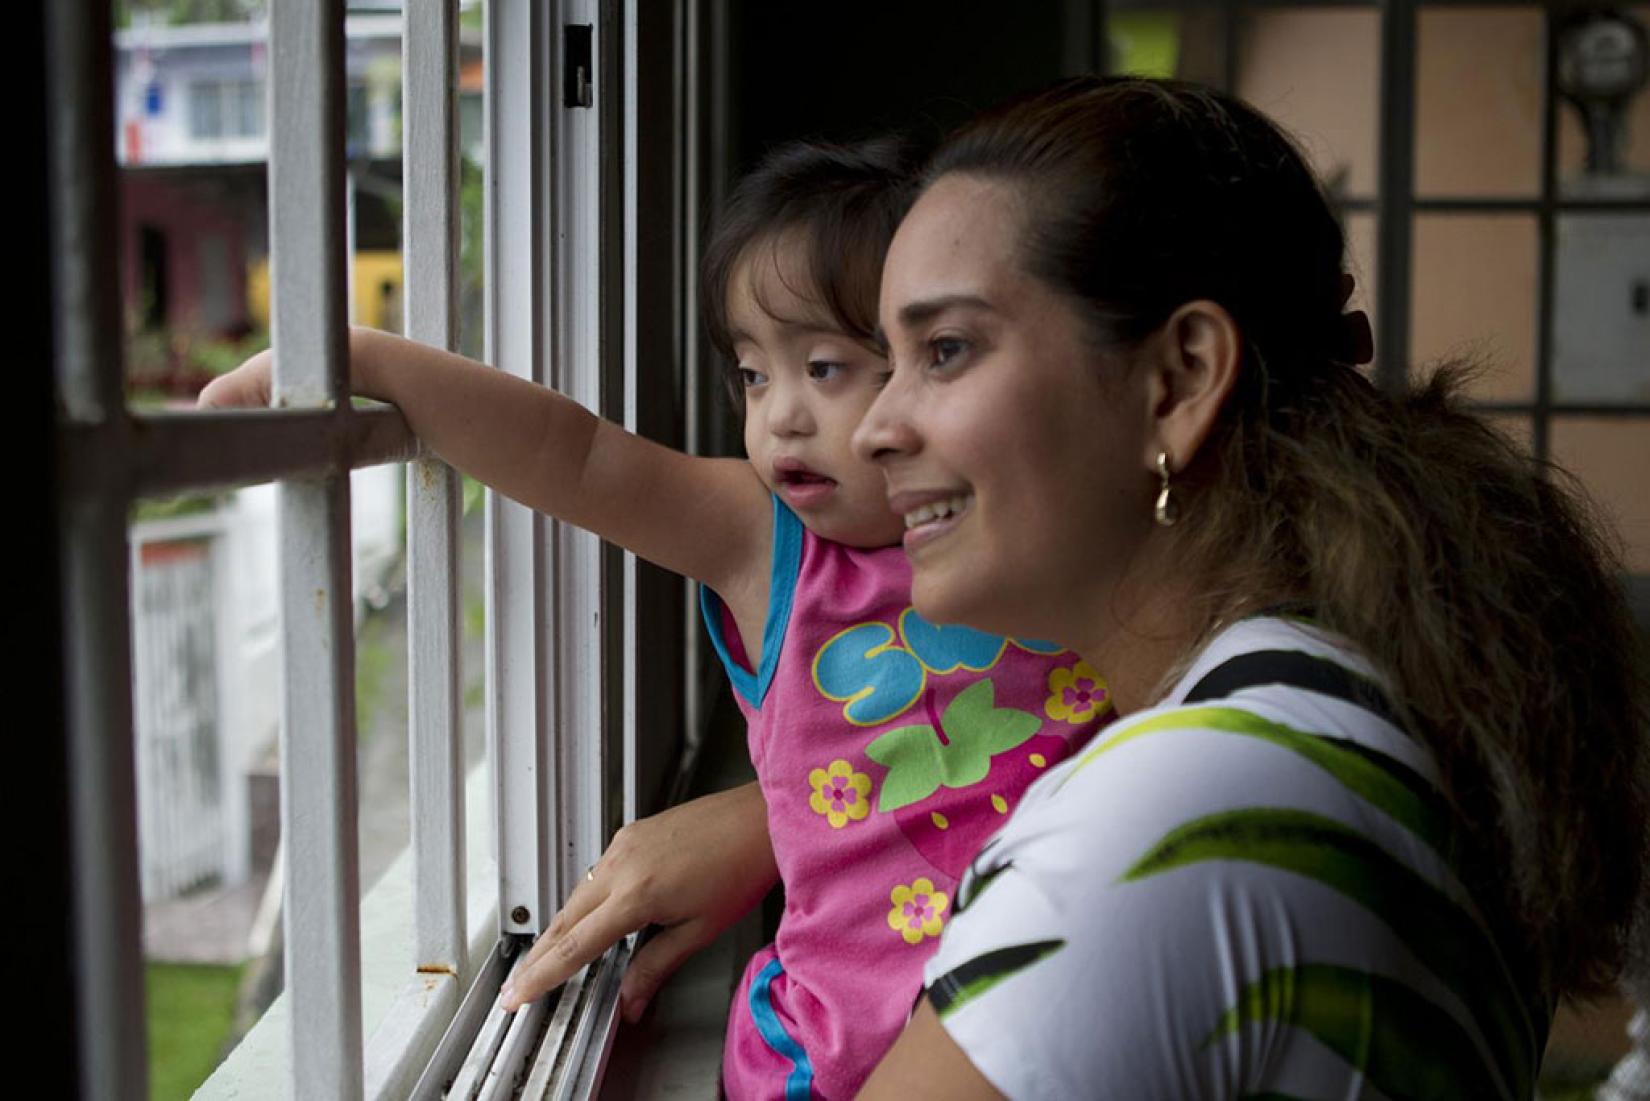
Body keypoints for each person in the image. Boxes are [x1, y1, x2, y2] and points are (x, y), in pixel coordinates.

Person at [198, 137, 1113, 1099]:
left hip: (1042, 1045)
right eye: (756, 375)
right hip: (815, 1068)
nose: (781, 418)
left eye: (829, 368)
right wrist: (366, 357)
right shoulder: (779, 551)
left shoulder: (1041, 548)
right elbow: (579, 456)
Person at [846, 76, 1649, 1099]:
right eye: (886, 361)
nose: (876, 426)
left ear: (1178, 380)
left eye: (945, 351)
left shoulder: (1174, 823)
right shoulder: (1365, 687)